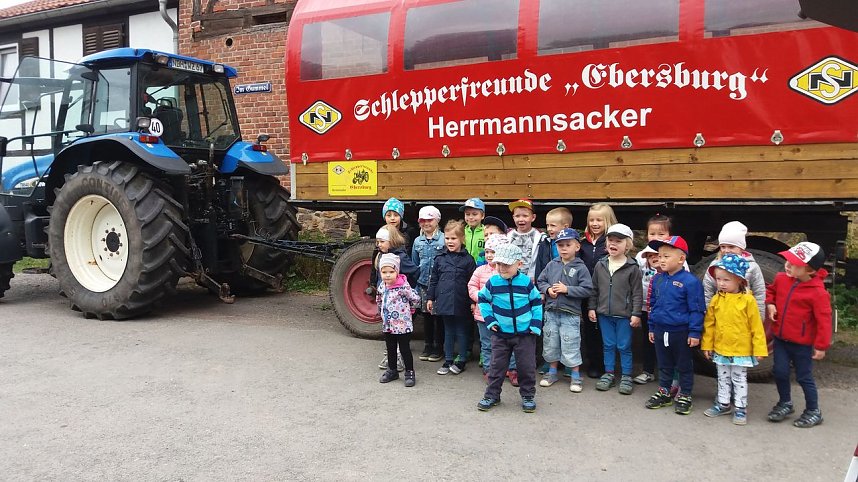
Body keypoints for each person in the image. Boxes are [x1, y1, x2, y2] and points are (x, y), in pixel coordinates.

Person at [765, 242, 832, 428]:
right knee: (780, 372)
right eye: (788, 260)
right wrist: (770, 304)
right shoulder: (781, 278)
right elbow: (770, 291)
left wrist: (821, 346)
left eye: (794, 263)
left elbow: (824, 321)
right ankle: (785, 403)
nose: (787, 264)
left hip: (802, 344)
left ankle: (813, 410)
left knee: (804, 377)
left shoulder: (818, 293)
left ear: (809, 270)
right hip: (780, 339)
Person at [701, 253, 768, 425]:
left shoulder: (748, 301)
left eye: (726, 280)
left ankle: (740, 408)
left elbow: (756, 327)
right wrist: (707, 345)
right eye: (718, 279)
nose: (721, 283)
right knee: (722, 377)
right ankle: (723, 404)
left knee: (739, 379)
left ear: (739, 280)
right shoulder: (716, 299)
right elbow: (710, 324)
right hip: (721, 348)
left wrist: (759, 349)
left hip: (741, 350)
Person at [476, 243, 543, 412]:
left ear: (519, 264)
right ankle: (492, 395)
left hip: (525, 334)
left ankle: (528, 396)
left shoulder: (526, 282)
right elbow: (483, 299)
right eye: (499, 264)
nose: (502, 268)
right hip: (500, 334)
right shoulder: (493, 282)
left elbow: (536, 303)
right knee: (496, 366)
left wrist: (535, 325)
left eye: (506, 264)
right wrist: (490, 320)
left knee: (526, 367)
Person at [644, 236, 705, 415]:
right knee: (664, 363)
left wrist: (694, 332)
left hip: (681, 331)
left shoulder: (690, 282)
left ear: (681, 259)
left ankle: (685, 394)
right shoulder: (658, 279)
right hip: (661, 329)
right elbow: (653, 305)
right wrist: (652, 327)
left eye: (666, 256)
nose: (661, 260)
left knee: (683, 364)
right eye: (660, 256)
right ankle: (664, 390)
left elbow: (697, 309)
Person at [587, 224, 643, 395]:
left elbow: (637, 293)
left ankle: (626, 375)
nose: (613, 244)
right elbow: (594, 288)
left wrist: (636, 313)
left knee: (624, 345)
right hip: (604, 313)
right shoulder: (601, 265)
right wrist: (592, 308)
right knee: (608, 344)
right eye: (610, 240)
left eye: (618, 241)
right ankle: (609, 373)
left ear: (628, 245)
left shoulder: (632, 267)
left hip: (624, 315)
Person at [536, 228, 593, 392]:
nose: (564, 248)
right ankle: (552, 372)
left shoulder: (581, 267)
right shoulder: (552, 264)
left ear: (577, 246)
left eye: (568, 245)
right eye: (560, 245)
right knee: (550, 342)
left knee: (571, 343)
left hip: (570, 314)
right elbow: (541, 280)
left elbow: (587, 289)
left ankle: (575, 376)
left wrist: (567, 289)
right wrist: (547, 290)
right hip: (551, 311)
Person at [427, 220, 477, 375]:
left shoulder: (468, 260)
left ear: (462, 239)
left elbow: (472, 283)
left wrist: (472, 302)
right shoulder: (440, 258)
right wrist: (430, 298)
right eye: (447, 238)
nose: (450, 241)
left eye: (453, 238)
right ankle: (448, 360)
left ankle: (461, 360)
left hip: (461, 301)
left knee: (462, 331)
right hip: (444, 300)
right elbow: (434, 279)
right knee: (448, 331)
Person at [579, 203, 618, 379]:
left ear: (607, 221)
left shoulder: (610, 242)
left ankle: (606, 364)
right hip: (587, 293)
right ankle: (592, 361)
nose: (595, 223)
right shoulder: (583, 243)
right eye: (591, 220)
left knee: (605, 329)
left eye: (599, 220)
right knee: (589, 328)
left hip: (605, 292)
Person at [702, 221, 766, 322]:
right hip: (720, 315)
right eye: (723, 246)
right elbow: (707, 290)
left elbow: (760, 293)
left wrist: (758, 319)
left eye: (731, 247)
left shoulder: (752, 266)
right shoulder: (715, 265)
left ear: (741, 247)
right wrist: (709, 315)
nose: (726, 250)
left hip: (743, 317)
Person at [375, 226, 419, 371]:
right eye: (378, 242)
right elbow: (375, 271)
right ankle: (391, 362)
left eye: (382, 241)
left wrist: (406, 286)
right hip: (387, 298)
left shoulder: (400, 256)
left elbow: (414, 271)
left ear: (391, 241)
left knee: (401, 338)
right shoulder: (381, 255)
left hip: (400, 305)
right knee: (390, 338)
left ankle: (402, 363)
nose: (379, 244)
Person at [376, 253, 422, 387]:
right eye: (384, 272)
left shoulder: (403, 287)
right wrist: (381, 312)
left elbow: (416, 299)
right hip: (388, 324)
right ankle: (392, 370)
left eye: (391, 271)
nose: (388, 275)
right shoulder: (382, 286)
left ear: (397, 271)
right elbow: (379, 299)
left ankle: (409, 372)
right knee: (390, 348)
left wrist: (411, 310)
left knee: (404, 348)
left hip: (402, 325)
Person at [468, 234, 510, 381]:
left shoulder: (506, 271)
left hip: (503, 315)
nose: (489, 255)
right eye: (487, 252)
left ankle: (508, 369)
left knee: (505, 344)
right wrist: (480, 296)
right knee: (487, 344)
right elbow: (472, 285)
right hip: (483, 315)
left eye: (493, 251)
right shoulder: (480, 270)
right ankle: (489, 370)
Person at [411, 206, 445, 362]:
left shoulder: (444, 239)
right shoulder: (418, 241)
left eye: (429, 220)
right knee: (426, 316)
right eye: (423, 220)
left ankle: (439, 346)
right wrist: (416, 285)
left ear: (437, 221)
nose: (426, 223)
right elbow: (415, 263)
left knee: (438, 317)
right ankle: (428, 344)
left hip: (438, 285)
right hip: (424, 284)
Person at [370, 197, 417, 291]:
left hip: (402, 276)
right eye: (388, 215)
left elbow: (412, 255)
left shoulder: (409, 232)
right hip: (385, 276)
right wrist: (373, 281)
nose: (392, 218)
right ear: (385, 217)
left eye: (395, 215)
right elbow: (375, 257)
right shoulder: (382, 233)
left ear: (401, 216)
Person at [507, 198, 544, 281]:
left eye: (525, 216)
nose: (521, 219)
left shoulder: (540, 237)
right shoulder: (507, 236)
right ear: (513, 217)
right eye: (517, 216)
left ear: (533, 217)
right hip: (511, 280)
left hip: (532, 281)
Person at [461, 197, 486, 265]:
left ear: (482, 215)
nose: (471, 217)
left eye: (474, 214)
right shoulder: (461, 231)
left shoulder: (487, 232)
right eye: (467, 214)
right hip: (463, 268)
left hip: (481, 268)